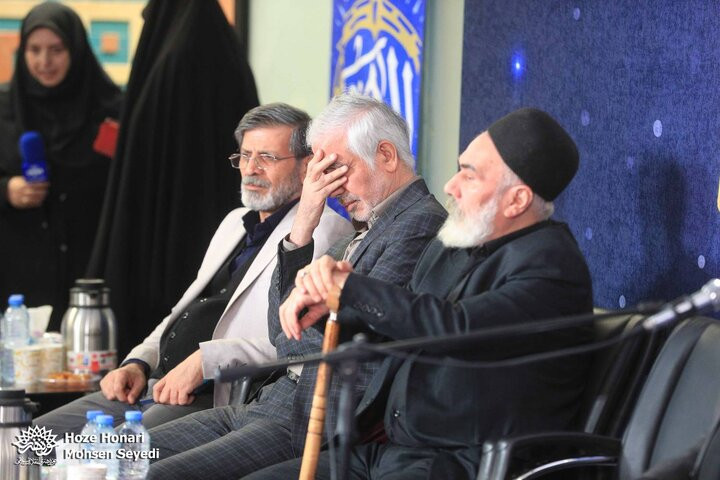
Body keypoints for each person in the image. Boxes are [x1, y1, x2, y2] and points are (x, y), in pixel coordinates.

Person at [248, 107, 594, 480]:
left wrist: (350, 287)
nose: (450, 186)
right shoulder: (455, 245)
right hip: (394, 453)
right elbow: (393, 331)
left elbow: (459, 329)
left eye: (469, 175)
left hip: (467, 464)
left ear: (517, 200)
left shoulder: (552, 266)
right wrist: (329, 308)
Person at [144, 93, 448, 479]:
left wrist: (299, 327)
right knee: (108, 453)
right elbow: (282, 333)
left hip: (308, 418)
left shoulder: (419, 224)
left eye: (337, 169)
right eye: (322, 173)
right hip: (268, 400)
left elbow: (342, 343)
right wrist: (303, 222)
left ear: (386, 155)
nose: (331, 187)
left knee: (150, 474)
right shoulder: (367, 226)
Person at [34, 103, 352, 436]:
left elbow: (299, 342)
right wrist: (139, 361)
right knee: (27, 439)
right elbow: (185, 309)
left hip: (215, 396)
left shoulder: (323, 231)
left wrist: (206, 361)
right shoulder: (234, 222)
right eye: (245, 156)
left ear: (306, 166)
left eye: (267, 158)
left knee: (112, 455)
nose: (251, 169)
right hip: (154, 382)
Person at [0, 1, 122, 330]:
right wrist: (7, 190)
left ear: (76, 50)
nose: (44, 62)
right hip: (18, 273)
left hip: (91, 270)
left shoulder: (110, 109)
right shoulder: (5, 108)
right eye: (34, 50)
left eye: (56, 50)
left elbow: (129, 184)